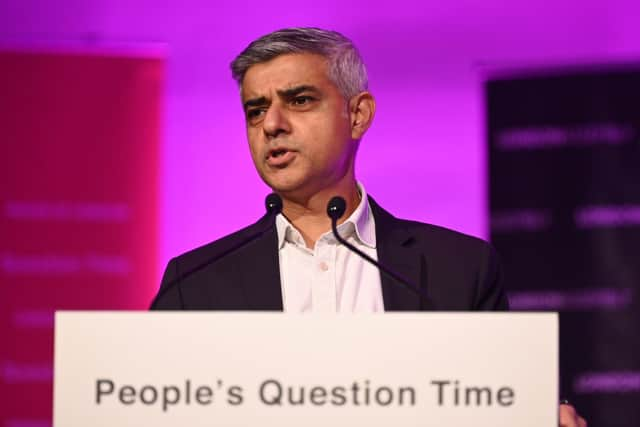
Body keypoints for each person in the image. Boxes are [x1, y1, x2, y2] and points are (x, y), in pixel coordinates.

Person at [151, 27, 586, 427]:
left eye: (299, 100)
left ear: (358, 114)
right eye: (256, 109)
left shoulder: (458, 268)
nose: (272, 124)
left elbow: (503, 404)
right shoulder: (194, 283)